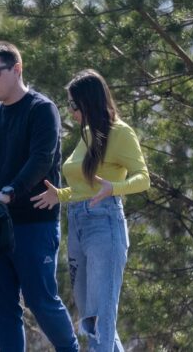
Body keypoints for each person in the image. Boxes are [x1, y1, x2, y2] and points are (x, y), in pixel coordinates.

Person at [0, 41, 79, 352]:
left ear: (16, 69)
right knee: (3, 310)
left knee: (41, 301)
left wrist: (11, 192)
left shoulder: (42, 110)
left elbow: (41, 159)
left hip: (34, 224)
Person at [32, 69, 150, 352]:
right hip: (78, 223)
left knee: (100, 318)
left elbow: (143, 178)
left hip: (104, 223)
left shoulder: (120, 133)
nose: (71, 111)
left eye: (74, 105)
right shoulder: (87, 134)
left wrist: (115, 188)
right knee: (90, 317)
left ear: (89, 102)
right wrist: (59, 195)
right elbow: (84, 187)